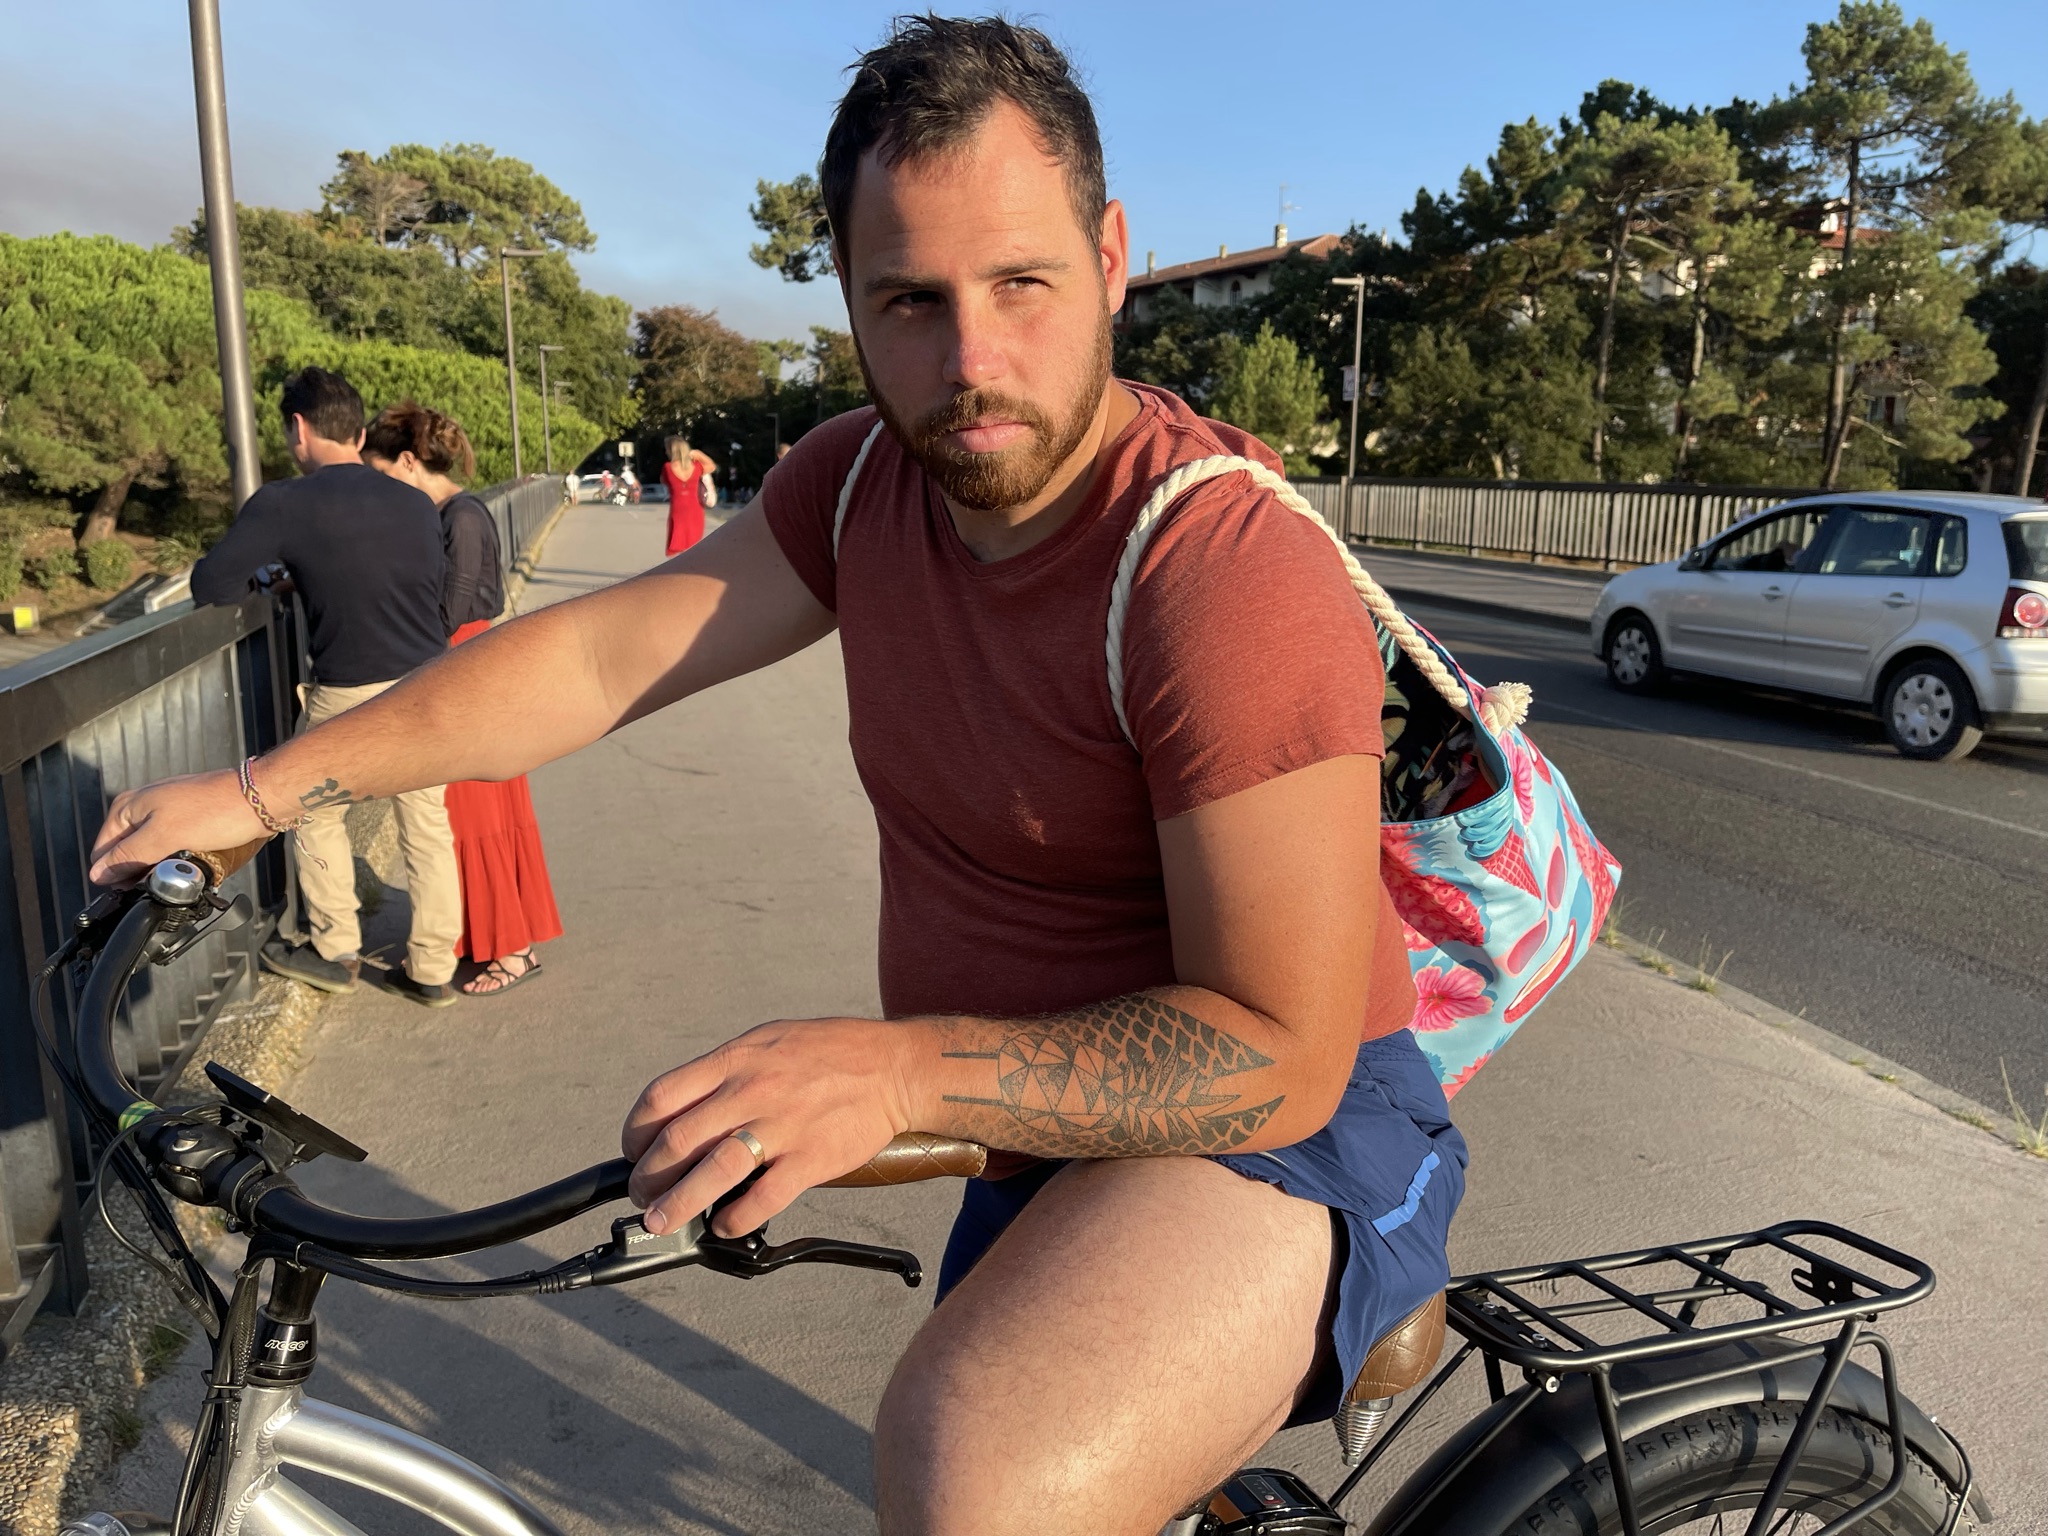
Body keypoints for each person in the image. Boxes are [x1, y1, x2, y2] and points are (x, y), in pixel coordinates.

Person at [91, 19, 1460, 1533]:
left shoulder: (1220, 567)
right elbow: (596, 659)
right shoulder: (864, 478)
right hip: (1034, 1121)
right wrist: (266, 791)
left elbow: (1278, 1051)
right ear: (852, 303)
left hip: (1289, 1134)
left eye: (1021, 283)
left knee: (971, 1470)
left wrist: (897, 1072)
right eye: (912, 301)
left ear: (1110, 255)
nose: (973, 363)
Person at [187, 367, 462, 1008]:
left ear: (299, 428)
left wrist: (282, 578)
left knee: (310, 810)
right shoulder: (413, 501)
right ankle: (432, 968)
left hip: (349, 690)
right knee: (427, 825)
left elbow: (212, 585)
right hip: (428, 682)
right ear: (360, 434)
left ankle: (335, 948)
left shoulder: (285, 503)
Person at [362, 401, 563, 996]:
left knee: (476, 811)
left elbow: (450, 611)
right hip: (463, 663)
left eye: (381, 473)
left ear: (407, 462)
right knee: (469, 810)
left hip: (465, 666)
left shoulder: (462, 516)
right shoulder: (449, 514)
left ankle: (514, 950)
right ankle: (488, 937)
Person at [660, 437, 717, 555]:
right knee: (694, 545)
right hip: (696, 509)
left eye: (667, 449)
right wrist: (698, 454)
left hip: (678, 509)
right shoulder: (696, 466)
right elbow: (712, 466)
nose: (666, 452)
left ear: (672, 450)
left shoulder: (667, 467)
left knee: (678, 543)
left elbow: (663, 480)